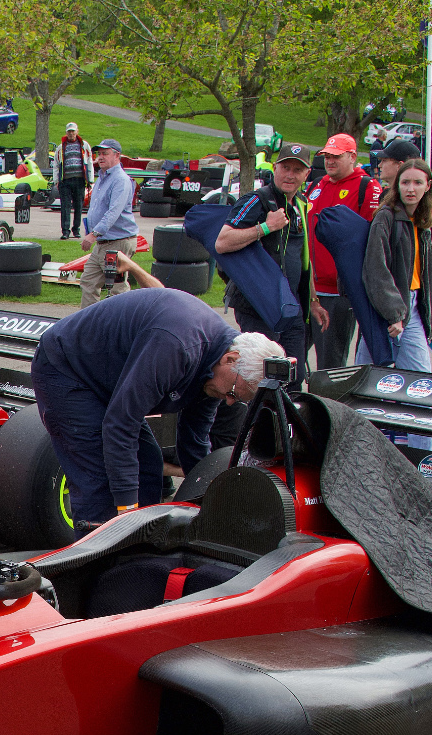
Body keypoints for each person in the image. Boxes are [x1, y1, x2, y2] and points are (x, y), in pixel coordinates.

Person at [33, 290, 284, 524]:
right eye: (231, 393)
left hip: (109, 374)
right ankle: (94, 565)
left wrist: (207, 498)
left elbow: (194, 439)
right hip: (67, 368)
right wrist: (126, 508)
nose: (229, 401)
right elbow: (121, 424)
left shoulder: (219, 365)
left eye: (236, 399)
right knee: (99, 482)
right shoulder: (178, 347)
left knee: (149, 465)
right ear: (231, 360)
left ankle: (139, 549)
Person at [217, 145, 325, 372]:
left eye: (297, 170)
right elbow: (222, 242)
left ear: (307, 174)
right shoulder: (256, 200)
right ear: (275, 168)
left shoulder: (301, 204)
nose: (290, 175)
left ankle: (288, 408)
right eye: (285, 167)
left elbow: (303, 257)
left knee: (293, 374)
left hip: (291, 306)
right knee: (260, 374)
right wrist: (266, 227)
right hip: (258, 305)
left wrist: (313, 300)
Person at [306, 133, 383, 368]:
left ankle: (330, 404)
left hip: (337, 292)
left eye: (336, 156)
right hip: (309, 287)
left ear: (352, 157)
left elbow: (373, 238)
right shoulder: (318, 185)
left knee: (330, 362)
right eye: (327, 156)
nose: (330, 161)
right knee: (292, 356)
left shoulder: (367, 187)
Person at [359, 157, 432, 371]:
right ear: (397, 185)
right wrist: (393, 313)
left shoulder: (422, 221)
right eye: (405, 182)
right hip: (385, 307)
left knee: (420, 381)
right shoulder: (386, 217)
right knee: (369, 379)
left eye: (417, 183)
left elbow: (424, 274)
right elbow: (375, 270)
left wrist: (431, 309)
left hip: (412, 305)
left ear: (428, 186)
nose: (411, 189)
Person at [377, 137, 432, 298]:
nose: (379, 165)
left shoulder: (431, 202)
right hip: (390, 290)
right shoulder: (385, 198)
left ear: (399, 165)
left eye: (385, 160)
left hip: (417, 290)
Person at [79, 139, 137, 309]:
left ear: (117, 156)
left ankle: (121, 326)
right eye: (99, 153)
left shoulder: (120, 180)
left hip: (118, 243)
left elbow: (113, 213)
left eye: (105, 153)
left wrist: (93, 234)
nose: (100, 157)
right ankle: (88, 323)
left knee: (117, 288)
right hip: (103, 242)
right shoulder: (102, 178)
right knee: (88, 281)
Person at [58, 122, 92, 240]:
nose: (71, 133)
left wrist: (90, 180)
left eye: (73, 131)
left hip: (79, 180)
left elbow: (90, 162)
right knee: (65, 206)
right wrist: (56, 180)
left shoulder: (84, 145)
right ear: (66, 133)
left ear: (77, 132)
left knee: (78, 205)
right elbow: (57, 165)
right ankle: (65, 231)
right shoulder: (61, 146)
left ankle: (76, 229)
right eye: (69, 132)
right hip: (65, 181)